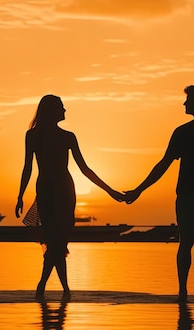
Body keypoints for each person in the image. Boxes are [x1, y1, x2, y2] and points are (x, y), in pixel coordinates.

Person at [124, 85, 194, 302]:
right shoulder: (183, 132)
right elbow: (164, 164)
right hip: (188, 196)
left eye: (188, 100)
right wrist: (139, 190)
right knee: (188, 243)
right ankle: (183, 292)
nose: (184, 104)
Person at [16, 94, 124, 300]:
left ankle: (54, 290)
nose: (65, 111)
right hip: (51, 190)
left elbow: (84, 169)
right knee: (56, 241)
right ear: (52, 111)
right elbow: (27, 167)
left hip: (60, 190)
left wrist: (109, 190)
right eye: (62, 107)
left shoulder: (63, 136)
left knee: (57, 241)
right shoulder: (35, 136)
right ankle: (58, 290)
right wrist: (20, 195)